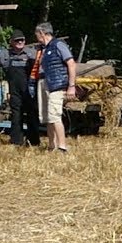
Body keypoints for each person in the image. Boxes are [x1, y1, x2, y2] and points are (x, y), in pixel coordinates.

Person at [33, 22, 76, 152]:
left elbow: (71, 64)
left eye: (37, 35)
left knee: (55, 116)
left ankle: (62, 147)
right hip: (46, 84)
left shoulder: (59, 45)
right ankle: (52, 145)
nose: (36, 38)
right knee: (47, 117)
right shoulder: (43, 49)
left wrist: (71, 86)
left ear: (42, 33)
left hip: (57, 85)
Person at [0, 30, 41, 147]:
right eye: (17, 40)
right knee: (16, 115)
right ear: (11, 42)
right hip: (14, 91)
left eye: (22, 40)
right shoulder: (4, 55)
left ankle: (33, 141)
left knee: (32, 114)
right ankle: (16, 141)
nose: (20, 42)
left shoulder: (32, 54)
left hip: (30, 90)